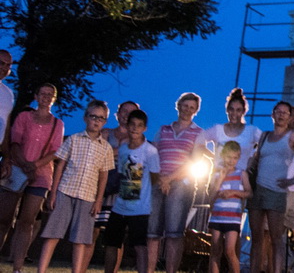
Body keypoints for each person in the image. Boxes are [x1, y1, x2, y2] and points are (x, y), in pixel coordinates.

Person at [36, 100, 116, 273]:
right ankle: (41, 270)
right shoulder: (73, 139)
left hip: (88, 196)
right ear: (86, 117)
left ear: (105, 121)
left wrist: (98, 200)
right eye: (93, 116)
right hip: (66, 190)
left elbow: (104, 176)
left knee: (81, 239)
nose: (96, 121)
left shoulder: (106, 148)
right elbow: (60, 166)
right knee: (53, 234)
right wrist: (53, 192)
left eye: (101, 118)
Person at [0, 83, 64, 273]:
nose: (46, 97)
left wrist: (34, 166)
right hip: (17, 170)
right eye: (43, 93)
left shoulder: (57, 124)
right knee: (4, 219)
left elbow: (55, 151)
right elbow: (15, 142)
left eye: (50, 94)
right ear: (36, 96)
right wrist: (24, 165)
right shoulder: (24, 117)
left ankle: (17, 267)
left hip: (41, 176)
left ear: (54, 99)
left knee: (26, 222)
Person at [247, 100, 294, 273]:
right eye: (278, 111)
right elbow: (256, 159)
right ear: (273, 114)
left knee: (276, 238)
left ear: (290, 117)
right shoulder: (264, 136)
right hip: (258, 190)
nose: (281, 115)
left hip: (276, 191)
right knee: (257, 238)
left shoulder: (292, 137)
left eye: (285, 112)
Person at [148, 92, 204, 273]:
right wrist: (160, 179)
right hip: (158, 182)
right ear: (178, 106)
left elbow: (194, 161)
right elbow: (153, 154)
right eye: (185, 106)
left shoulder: (199, 133)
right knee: (152, 232)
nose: (187, 110)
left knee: (174, 233)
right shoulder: (163, 129)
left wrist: (170, 179)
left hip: (181, 184)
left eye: (191, 108)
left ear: (196, 111)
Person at [103, 109, 161, 273]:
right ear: (127, 126)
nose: (135, 128)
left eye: (139, 125)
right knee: (111, 243)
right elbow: (121, 173)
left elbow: (155, 178)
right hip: (120, 205)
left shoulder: (150, 151)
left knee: (139, 246)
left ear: (145, 128)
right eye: (132, 124)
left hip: (140, 208)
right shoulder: (123, 150)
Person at [93, 100, 141, 273]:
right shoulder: (106, 133)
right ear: (118, 114)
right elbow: (97, 155)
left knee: (115, 239)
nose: (127, 115)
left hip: (123, 192)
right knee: (92, 232)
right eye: (124, 111)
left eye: (131, 112)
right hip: (100, 187)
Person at [207, 141, 251, 273]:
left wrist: (234, 192)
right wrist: (220, 179)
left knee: (230, 251)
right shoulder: (216, 174)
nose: (231, 161)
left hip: (233, 218)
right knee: (215, 250)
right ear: (223, 156)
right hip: (217, 216)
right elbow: (211, 196)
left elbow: (249, 193)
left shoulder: (241, 174)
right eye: (228, 157)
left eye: (234, 158)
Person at [200, 89, 261, 170]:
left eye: (238, 110)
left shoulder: (252, 131)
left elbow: (267, 144)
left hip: (241, 175)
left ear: (243, 111)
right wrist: (213, 157)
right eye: (231, 109)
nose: (234, 113)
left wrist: (253, 158)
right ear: (227, 110)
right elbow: (198, 139)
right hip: (219, 175)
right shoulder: (217, 129)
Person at [0, 51, 15, 146]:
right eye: (1, 63)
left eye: (8, 65)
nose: (4, 68)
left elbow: (6, 126)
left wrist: (6, 152)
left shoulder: (8, 94)